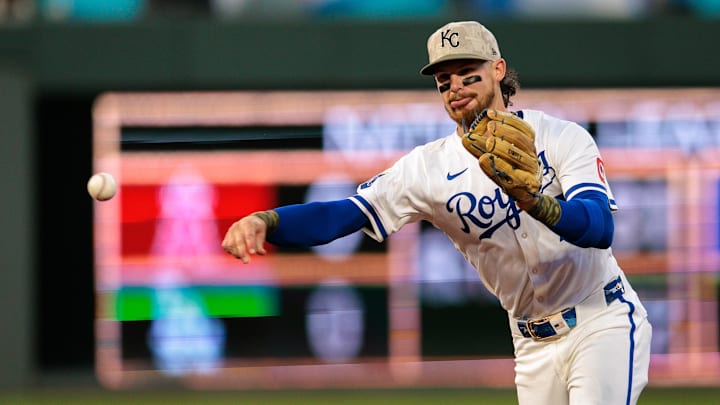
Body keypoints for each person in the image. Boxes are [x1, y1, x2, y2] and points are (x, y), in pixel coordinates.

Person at [221, 20, 652, 405]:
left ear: (498, 70)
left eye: (469, 73)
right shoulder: (428, 168)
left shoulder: (560, 137)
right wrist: (268, 220)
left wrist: (536, 202)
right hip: (531, 344)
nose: (456, 87)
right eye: (445, 80)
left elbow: (599, 227)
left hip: (601, 318)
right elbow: (344, 214)